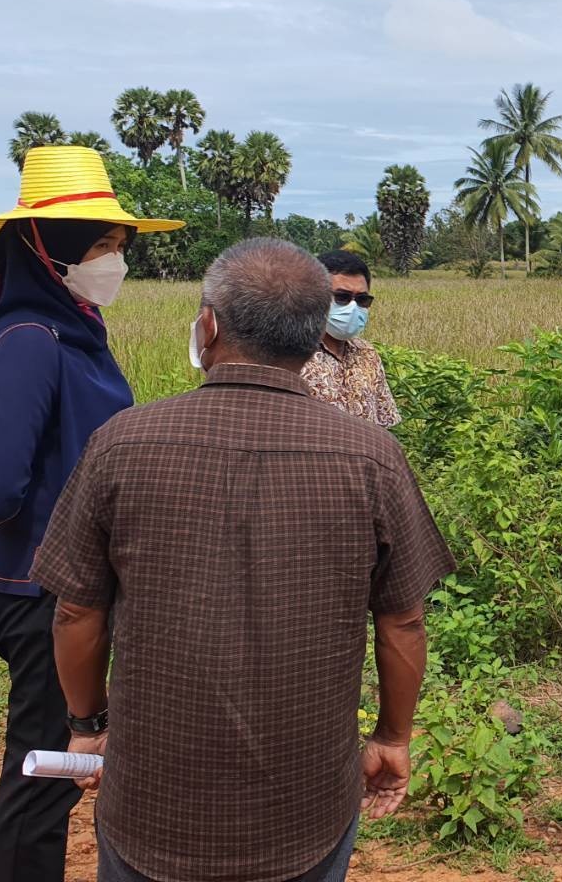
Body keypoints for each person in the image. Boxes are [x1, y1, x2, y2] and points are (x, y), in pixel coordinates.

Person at [32, 238, 453, 882]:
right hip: (306, 812)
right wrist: (392, 739)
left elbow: (76, 612)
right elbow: (403, 623)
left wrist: (87, 726)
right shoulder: (373, 458)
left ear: (209, 325)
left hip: (151, 806)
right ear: (314, 337)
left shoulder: (121, 443)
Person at [0, 145, 183, 882]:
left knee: (61, 754)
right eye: (100, 246)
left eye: (118, 246)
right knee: (43, 770)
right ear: (49, 250)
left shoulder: (64, 328)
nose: (113, 260)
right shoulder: (33, 341)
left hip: (64, 580)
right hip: (46, 591)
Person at [300, 249, 401, 429]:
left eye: (362, 299)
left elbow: (385, 425)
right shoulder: (292, 354)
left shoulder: (368, 354)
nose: (353, 307)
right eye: (341, 297)